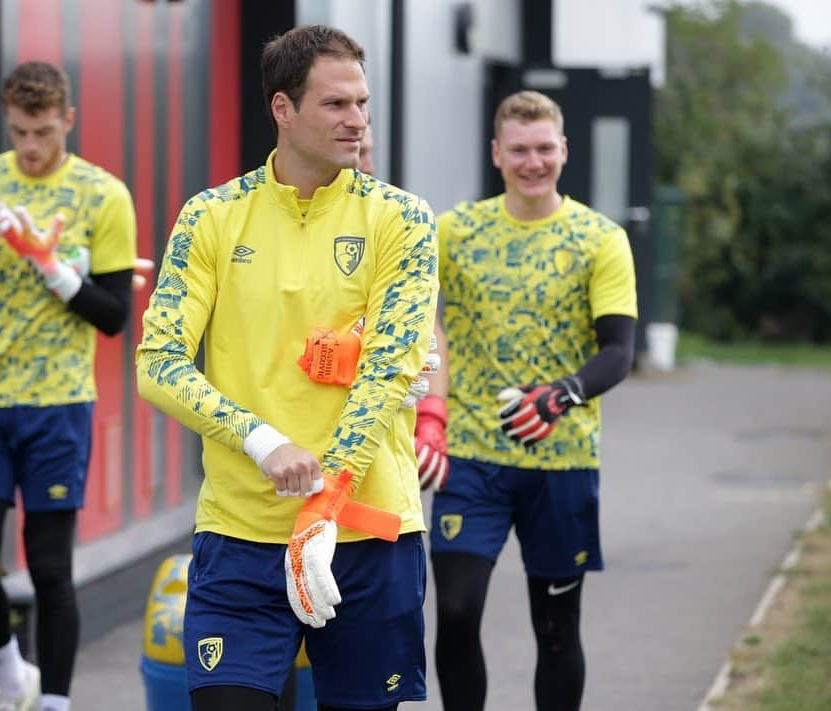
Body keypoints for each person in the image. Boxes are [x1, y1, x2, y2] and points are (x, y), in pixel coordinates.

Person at [135, 25, 438, 711]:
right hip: (243, 535)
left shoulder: (403, 219)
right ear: (282, 109)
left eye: (362, 102)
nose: (357, 120)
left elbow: (390, 369)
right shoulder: (211, 216)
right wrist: (260, 439)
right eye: (335, 105)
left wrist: (326, 505)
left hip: (366, 531)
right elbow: (157, 363)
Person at [0, 61, 141, 711]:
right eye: (19, 130)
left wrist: (53, 267)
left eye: (43, 130)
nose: (29, 145)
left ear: (67, 120)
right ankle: (10, 671)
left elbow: (113, 318)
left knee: (50, 568)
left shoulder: (103, 195)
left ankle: (55, 701)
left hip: (58, 405)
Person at [415, 90, 637, 711]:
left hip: (561, 460)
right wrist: (427, 411)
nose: (532, 161)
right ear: (496, 154)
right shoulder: (453, 232)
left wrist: (560, 396)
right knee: (455, 613)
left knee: (558, 630)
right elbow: (416, 319)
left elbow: (618, 352)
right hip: (471, 457)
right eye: (519, 150)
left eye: (544, 148)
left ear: (564, 150)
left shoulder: (601, 239)